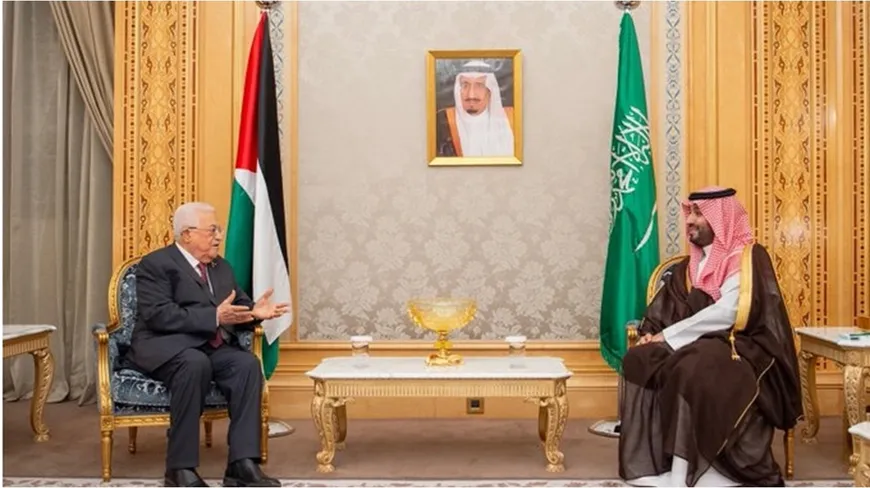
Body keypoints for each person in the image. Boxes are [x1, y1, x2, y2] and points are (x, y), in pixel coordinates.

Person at [617, 187, 802, 487]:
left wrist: (667, 335)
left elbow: (729, 312)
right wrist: (651, 334)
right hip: (695, 342)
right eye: (689, 212)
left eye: (699, 214)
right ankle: (657, 464)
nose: (690, 220)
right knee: (640, 358)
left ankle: (691, 473)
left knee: (692, 367)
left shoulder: (746, 257)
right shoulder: (689, 266)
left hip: (742, 345)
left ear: (722, 218)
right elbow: (667, 307)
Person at [126, 202, 289, 487]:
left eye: (219, 230)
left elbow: (237, 305)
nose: (218, 237)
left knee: (246, 365)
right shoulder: (157, 265)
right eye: (212, 230)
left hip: (210, 347)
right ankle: (179, 469)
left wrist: (254, 313)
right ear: (187, 234)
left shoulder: (220, 266)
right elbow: (158, 315)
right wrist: (214, 316)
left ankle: (241, 465)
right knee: (194, 364)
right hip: (167, 346)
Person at [435, 60, 515, 157]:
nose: (471, 95)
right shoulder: (441, 122)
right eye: (465, 85)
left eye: (480, 85)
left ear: (490, 90)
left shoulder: (512, 119)